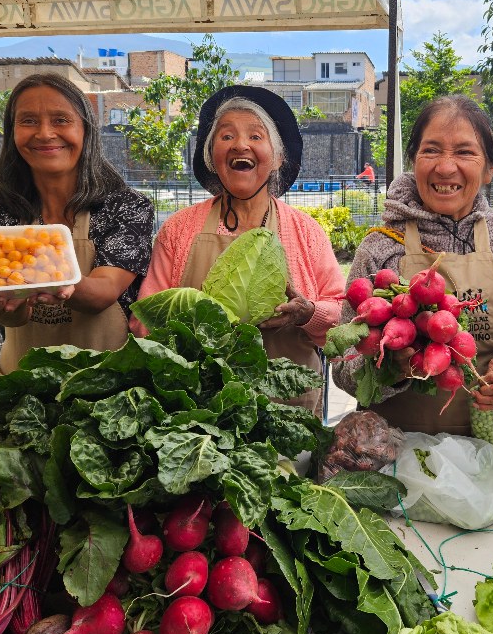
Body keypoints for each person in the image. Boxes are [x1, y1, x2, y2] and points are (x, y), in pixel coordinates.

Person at [332, 95, 493, 460]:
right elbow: (344, 367)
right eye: (432, 150)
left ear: (489, 168)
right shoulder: (378, 249)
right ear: (413, 162)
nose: (445, 167)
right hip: (400, 452)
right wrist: (387, 369)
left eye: (464, 152)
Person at [130, 85, 344, 413]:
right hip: (200, 409)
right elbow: (146, 317)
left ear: (278, 159)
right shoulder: (178, 229)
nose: (240, 144)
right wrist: (201, 328)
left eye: (256, 136)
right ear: (211, 157)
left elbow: (343, 316)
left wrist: (307, 313)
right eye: (226, 136)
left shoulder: (306, 233)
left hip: (286, 411)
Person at [0, 73, 154, 374]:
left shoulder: (125, 207)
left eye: (61, 120)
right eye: (28, 121)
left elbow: (103, 293)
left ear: (85, 130)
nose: (44, 133)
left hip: (107, 386)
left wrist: (56, 280)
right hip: (23, 386)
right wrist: (6, 305)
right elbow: (13, 318)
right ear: (11, 132)